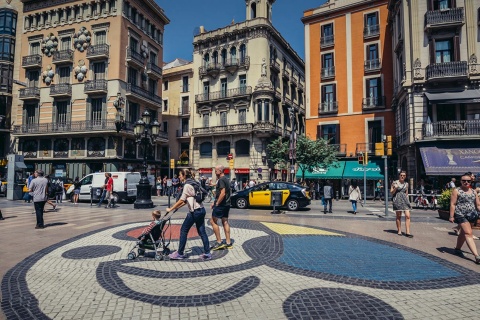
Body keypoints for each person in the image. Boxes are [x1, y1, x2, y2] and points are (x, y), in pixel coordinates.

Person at [166, 169, 211, 260]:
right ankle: (207, 253)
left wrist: (171, 208)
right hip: (201, 209)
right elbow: (187, 200)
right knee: (202, 231)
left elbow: (182, 199)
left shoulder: (187, 185)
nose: (179, 177)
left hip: (195, 212)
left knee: (183, 230)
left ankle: (180, 253)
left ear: (184, 175)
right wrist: (178, 207)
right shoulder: (194, 182)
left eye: (180, 175)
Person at [449, 173, 480, 264]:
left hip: (471, 214)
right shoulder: (456, 191)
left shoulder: (474, 191)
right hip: (460, 214)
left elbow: (478, 205)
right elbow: (453, 204)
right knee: (468, 233)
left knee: (463, 233)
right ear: (461, 181)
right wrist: (451, 216)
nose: (466, 182)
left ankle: (457, 249)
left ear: (471, 181)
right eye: (464, 181)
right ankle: (477, 255)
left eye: (468, 181)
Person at [210, 165, 232, 250]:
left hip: (221, 205)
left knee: (213, 221)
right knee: (225, 222)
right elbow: (223, 190)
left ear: (220, 171)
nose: (215, 172)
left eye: (216, 171)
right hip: (227, 204)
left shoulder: (221, 180)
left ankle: (219, 242)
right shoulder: (226, 179)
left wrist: (217, 203)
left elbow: (222, 193)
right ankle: (228, 242)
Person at [391, 171, 413, 237]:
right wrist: (395, 188)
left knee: (408, 215)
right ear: (399, 176)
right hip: (397, 200)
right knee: (398, 216)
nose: (402, 176)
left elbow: (406, 193)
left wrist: (408, 202)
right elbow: (391, 192)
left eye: (404, 175)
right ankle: (399, 230)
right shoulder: (395, 183)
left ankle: (408, 232)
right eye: (401, 175)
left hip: (405, 201)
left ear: (405, 176)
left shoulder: (406, 184)